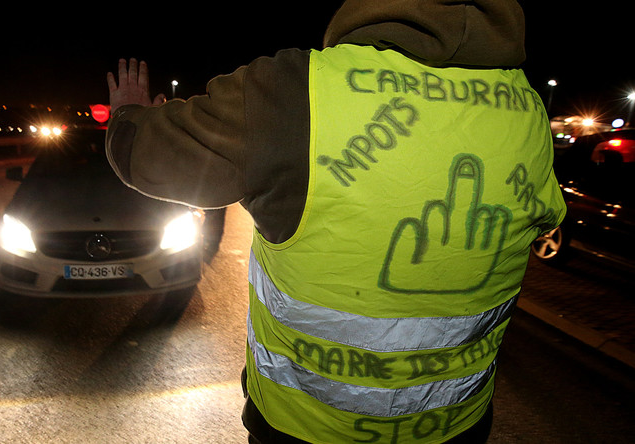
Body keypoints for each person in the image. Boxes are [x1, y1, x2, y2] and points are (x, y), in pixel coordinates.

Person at [104, 1, 566, 442]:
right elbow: (544, 221)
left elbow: (149, 155)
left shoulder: (292, 90)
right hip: (454, 428)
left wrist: (129, 116)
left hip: (304, 429)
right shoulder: (528, 109)